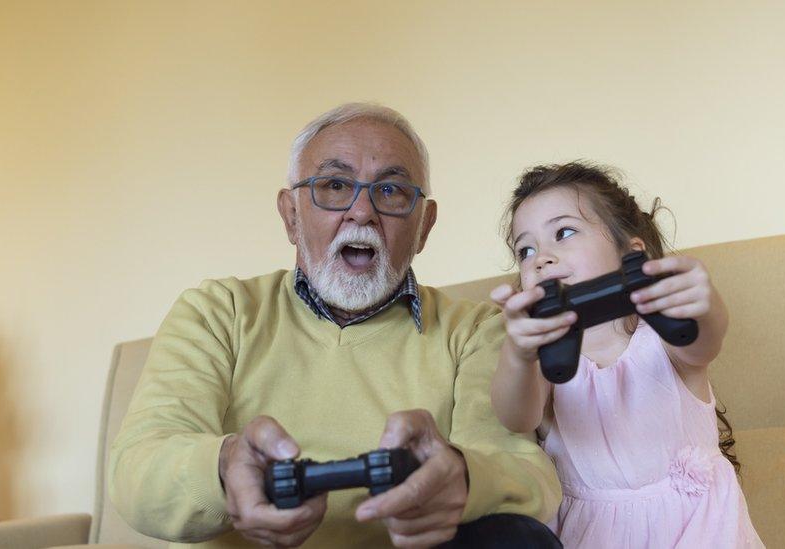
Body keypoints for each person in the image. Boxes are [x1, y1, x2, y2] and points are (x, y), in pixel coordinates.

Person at [108, 103, 563, 548]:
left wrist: (463, 477)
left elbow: (525, 472)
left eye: (391, 192)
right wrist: (226, 466)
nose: (361, 212)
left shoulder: (477, 330)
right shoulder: (217, 311)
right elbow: (138, 470)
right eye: (334, 185)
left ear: (424, 225)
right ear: (290, 214)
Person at [489, 161, 764, 548]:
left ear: (630, 252)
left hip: (700, 530)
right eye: (525, 250)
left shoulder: (665, 336)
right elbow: (516, 417)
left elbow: (706, 339)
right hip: (595, 535)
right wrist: (518, 354)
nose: (540, 258)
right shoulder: (547, 357)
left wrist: (705, 303)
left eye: (563, 232)